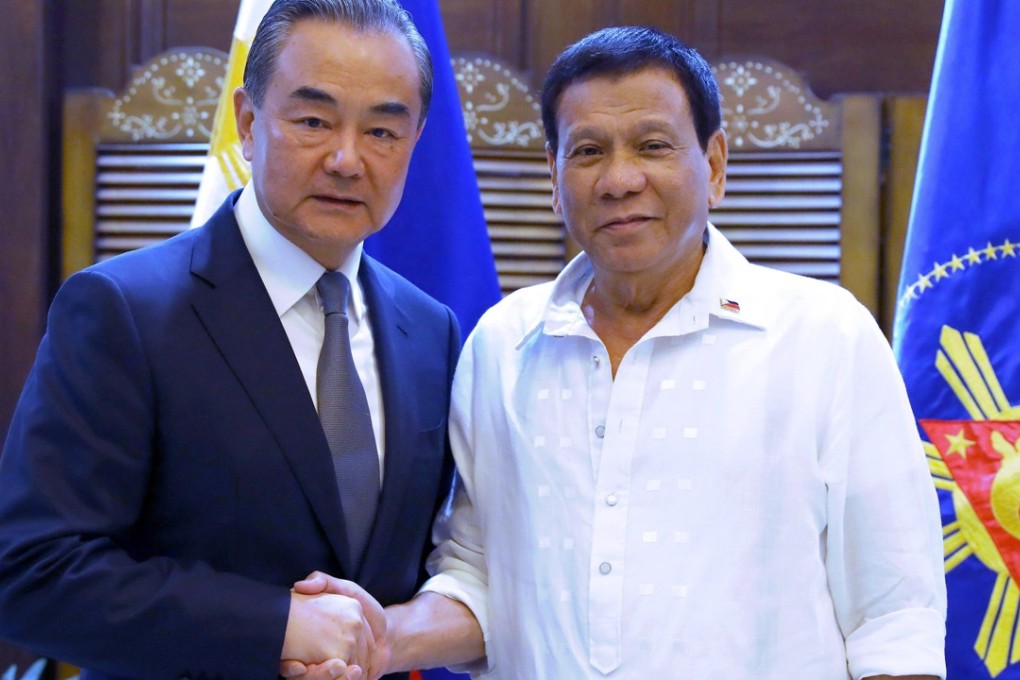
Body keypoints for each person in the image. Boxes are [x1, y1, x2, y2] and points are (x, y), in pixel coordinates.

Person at [295, 25, 948, 680]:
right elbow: (481, 576)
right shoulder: (502, 347)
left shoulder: (826, 338)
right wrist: (383, 638)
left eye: (653, 146)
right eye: (587, 151)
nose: (620, 179)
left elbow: (895, 619)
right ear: (554, 179)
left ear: (714, 165)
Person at [0, 1, 460, 678]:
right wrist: (277, 625)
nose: (345, 159)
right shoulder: (125, 310)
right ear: (248, 122)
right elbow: (32, 574)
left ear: (416, 139)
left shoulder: (432, 330)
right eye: (313, 120)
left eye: (383, 132)